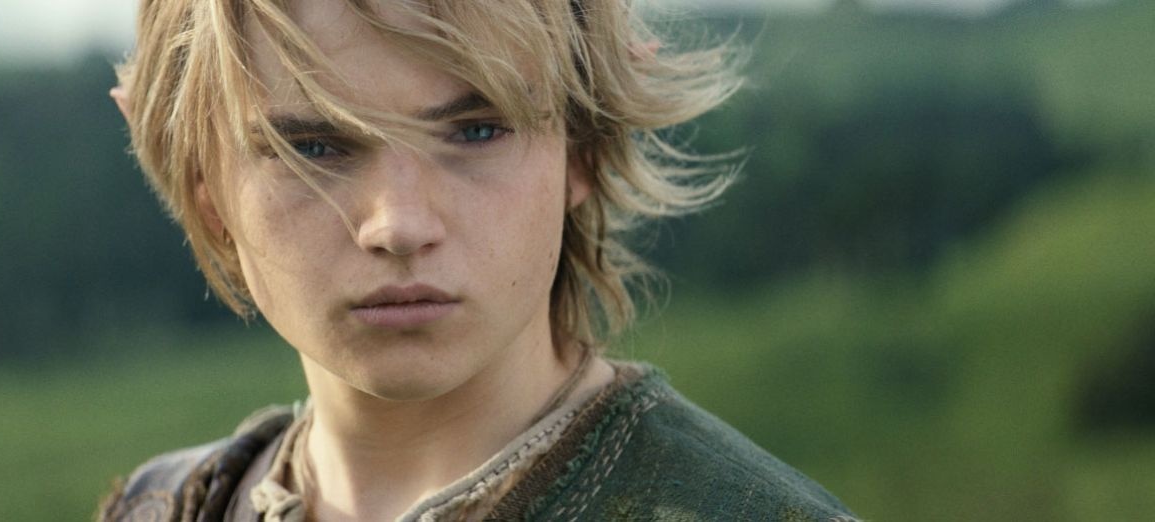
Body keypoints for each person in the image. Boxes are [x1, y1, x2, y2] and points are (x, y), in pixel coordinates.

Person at [99, 0, 857, 520]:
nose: (399, 226)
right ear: (205, 188)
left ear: (583, 149)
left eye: (476, 131)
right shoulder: (159, 506)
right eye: (314, 147)